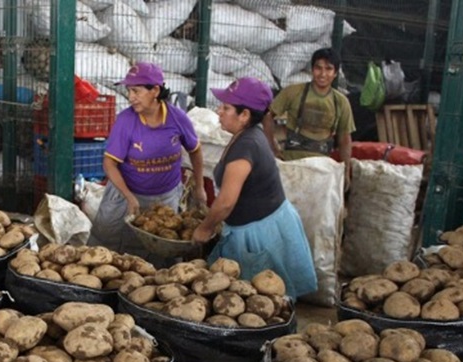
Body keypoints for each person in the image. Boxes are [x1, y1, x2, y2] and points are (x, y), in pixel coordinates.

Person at [193, 77, 316, 299]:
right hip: (262, 222)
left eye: (226, 107)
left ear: (245, 115)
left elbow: (226, 202)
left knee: (262, 300)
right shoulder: (246, 135)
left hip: (259, 233)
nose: (219, 111)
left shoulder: (247, 145)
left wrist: (205, 228)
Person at [89, 62, 205, 257]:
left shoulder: (177, 118)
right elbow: (109, 164)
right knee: (104, 246)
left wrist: (200, 187)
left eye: (136, 91)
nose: (131, 97)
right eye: (128, 91)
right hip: (125, 196)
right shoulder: (126, 121)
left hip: (165, 198)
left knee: (158, 252)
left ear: (155, 90)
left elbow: (195, 150)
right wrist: (128, 196)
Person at [263, 48, 355, 185]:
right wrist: (272, 148)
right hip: (291, 166)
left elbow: (345, 139)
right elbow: (267, 116)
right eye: (318, 68)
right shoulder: (293, 92)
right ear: (312, 69)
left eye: (328, 69)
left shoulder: (341, 102)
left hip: (322, 168)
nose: (323, 74)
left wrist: (346, 171)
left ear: (335, 73)